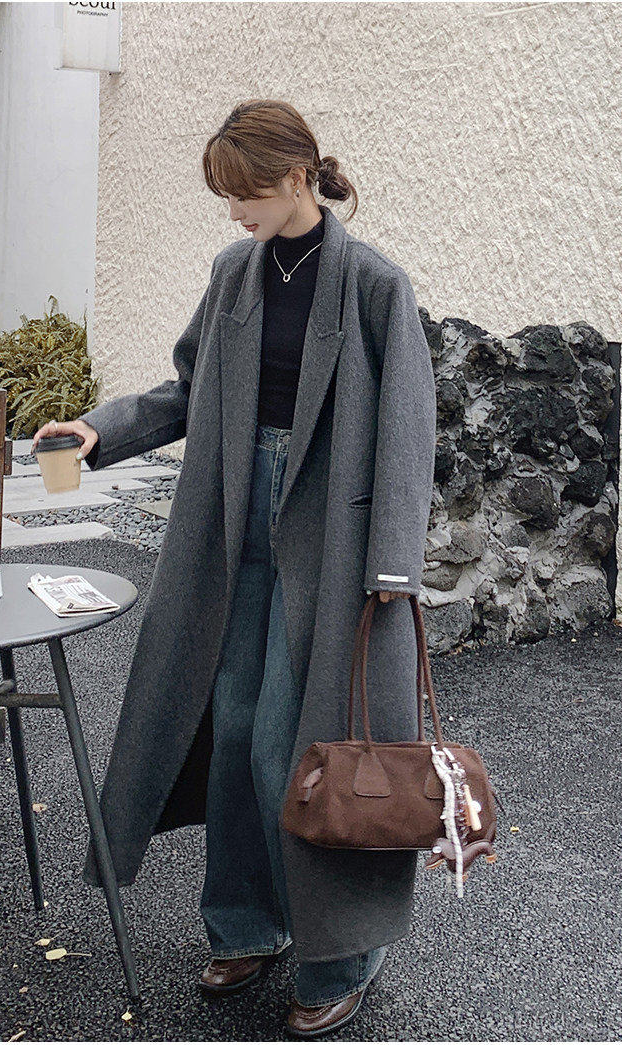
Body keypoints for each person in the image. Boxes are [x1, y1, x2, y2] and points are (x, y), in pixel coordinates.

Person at [32, 99, 435, 1038]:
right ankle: (247, 925)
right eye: (226, 196)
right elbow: (188, 386)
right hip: (232, 515)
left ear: (296, 178)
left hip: (331, 536)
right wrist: (99, 431)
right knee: (237, 724)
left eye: (244, 193)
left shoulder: (374, 284)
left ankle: (340, 955)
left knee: (298, 745)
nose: (233, 212)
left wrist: (394, 568)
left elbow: (410, 430)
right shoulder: (233, 274)